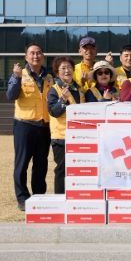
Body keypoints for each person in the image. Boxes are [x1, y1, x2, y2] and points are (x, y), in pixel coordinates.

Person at [5, 43, 53, 211]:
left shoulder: (49, 77)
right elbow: (10, 95)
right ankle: (22, 198)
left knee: (41, 164)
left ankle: (39, 195)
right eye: (32, 53)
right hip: (24, 125)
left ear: (43, 56)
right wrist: (16, 77)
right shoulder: (20, 74)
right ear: (26, 57)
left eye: (38, 53)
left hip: (44, 126)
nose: (35, 56)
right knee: (22, 163)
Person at [47, 57, 84, 194]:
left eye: (69, 67)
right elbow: (53, 112)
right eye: (63, 68)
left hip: (79, 136)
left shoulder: (79, 89)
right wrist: (63, 99)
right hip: (61, 137)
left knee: (77, 170)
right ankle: (60, 198)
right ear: (57, 72)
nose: (67, 70)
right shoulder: (54, 90)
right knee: (62, 170)